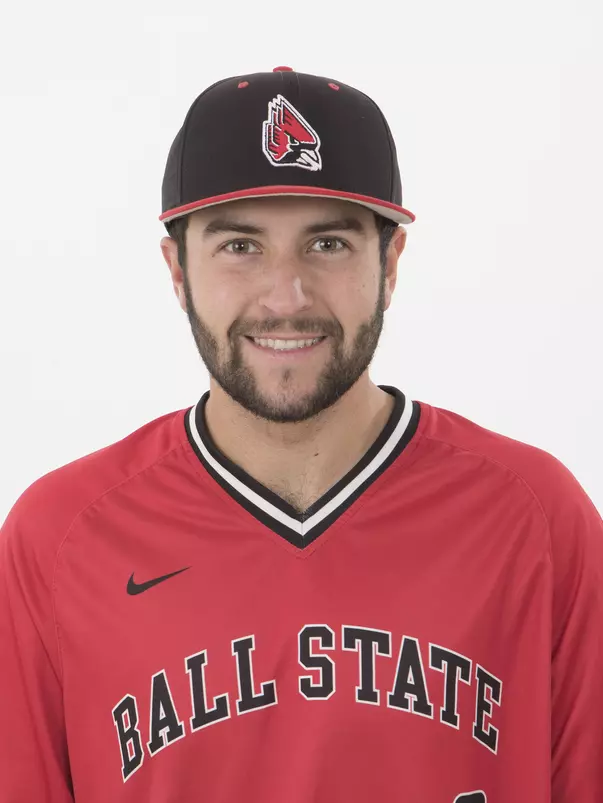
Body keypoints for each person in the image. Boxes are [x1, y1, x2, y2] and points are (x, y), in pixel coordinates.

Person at [0, 66, 601, 803]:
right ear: (177, 270)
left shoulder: (535, 519)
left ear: (389, 264)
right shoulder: (61, 539)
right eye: (240, 246)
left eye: (328, 244)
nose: (285, 297)